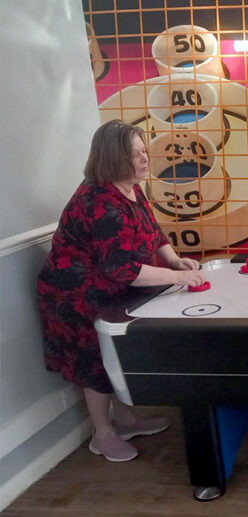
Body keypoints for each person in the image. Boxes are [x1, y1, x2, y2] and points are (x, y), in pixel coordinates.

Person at [38, 119, 207, 463]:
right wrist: (179, 279)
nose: (145, 159)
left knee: (114, 354)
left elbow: (152, 230)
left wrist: (175, 260)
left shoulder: (130, 187)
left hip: (107, 291)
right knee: (95, 363)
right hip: (76, 297)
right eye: (135, 154)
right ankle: (102, 434)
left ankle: (127, 421)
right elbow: (122, 269)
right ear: (113, 158)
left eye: (144, 151)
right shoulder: (99, 202)